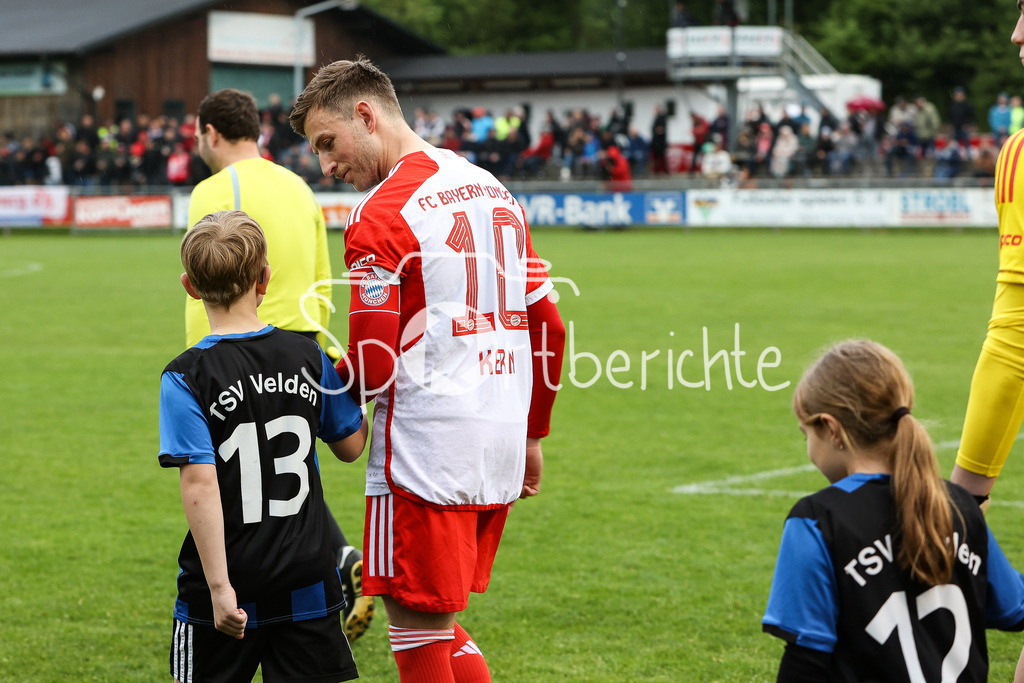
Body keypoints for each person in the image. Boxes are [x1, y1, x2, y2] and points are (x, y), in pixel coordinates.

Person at [289, 57, 566, 682]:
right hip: (497, 434)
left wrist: (316, 381)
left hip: (424, 449)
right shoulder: (490, 186)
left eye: (328, 144)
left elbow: (374, 363)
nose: (327, 166)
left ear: (367, 115)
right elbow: (549, 326)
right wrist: (531, 436)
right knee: (431, 622)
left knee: (413, 623)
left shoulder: (381, 214)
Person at [185, 88, 374, 641]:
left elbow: (210, 278)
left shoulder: (216, 191)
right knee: (294, 477)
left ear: (211, 134)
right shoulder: (298, 184)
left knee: (234, 489)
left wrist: (205, 361)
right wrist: (318, 348)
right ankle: (334, 567)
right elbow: (322, 270)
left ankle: (242, 600)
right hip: (309, 349)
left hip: (243, 349)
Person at [158, 210, 367, 683]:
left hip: (229, 586)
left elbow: (199, 485)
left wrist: (217, 588)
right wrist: (352, 384)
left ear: (190, 287)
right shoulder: (308, 355)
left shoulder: (185, 376)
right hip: (307, 581)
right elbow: (352, 447)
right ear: (265, 279)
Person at [764, 339, 1024, 682]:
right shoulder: (960, 508)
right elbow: (1015, 608)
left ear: (831, 429)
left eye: (807, 434)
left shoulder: (815, 521)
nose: (809, 449)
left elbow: (805, 662)